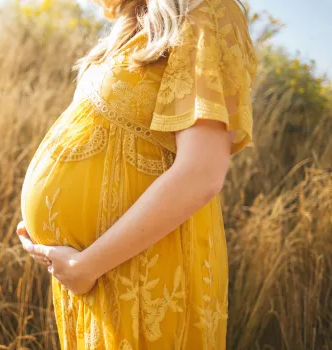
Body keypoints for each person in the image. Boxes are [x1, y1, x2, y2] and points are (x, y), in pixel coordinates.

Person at [17, 0, 258, 348]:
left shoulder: (208, 12)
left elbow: (202, 171)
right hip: (95, 273)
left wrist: (87, 265)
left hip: (145, 272)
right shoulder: (132, 26)